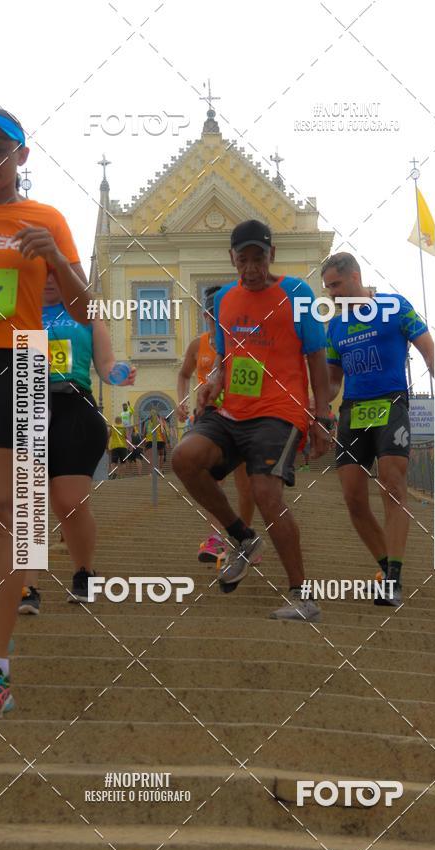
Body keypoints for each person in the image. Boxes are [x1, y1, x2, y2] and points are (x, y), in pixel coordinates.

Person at [0, 107, 93, 719]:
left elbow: (86, 310)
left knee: (2, 507)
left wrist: (56, 259)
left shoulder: (46, 217)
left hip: (21, 362)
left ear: (22, 156)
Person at [172, 219, 330, 621]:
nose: (251, 268)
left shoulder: (297, 293)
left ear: (271, 255)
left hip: (280, 411)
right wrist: (213, 384)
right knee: (184, 459)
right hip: (232, 410)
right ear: (232, 260)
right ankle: (243, 538)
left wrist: (322, 415)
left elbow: (315, 357)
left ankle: (301, 596)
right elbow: (225, 360)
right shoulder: (224, 299)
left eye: (258, 259)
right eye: (243, 260)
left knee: (266, 494)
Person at [18, 274, 136, 613]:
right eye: (42, 274)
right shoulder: (18, 315)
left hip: (75, 407)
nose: (50, 281)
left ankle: (84, 571)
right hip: (28, 405)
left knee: (70, 503)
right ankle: (28, 586)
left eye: (57, 273)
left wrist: (120, 373)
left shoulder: (87, 316)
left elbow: (107, 365)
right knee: (29, 500)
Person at [323, 252, 435, 606]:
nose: (332, 295)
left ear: (356, 277)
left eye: (336, 285)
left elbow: (429, 352)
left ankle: (395, 580)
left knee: (392, 486)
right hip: (353, 412)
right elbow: (331, 382)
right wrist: (314, 406)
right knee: (354, 499)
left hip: (391, 404)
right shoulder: (335, 327)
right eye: (328, 289)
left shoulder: (394, 306)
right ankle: (387, 568)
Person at [176, 286, 256, 562]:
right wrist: (181, 401)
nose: (214, 318)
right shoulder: (199, 344)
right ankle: (215, 537)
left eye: (218, 313)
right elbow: (183, 374)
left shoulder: (243, 340)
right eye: (210, 314)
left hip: (241, 416)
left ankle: (244, 541)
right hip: (210, 418)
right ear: (205, 315)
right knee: (209, 478)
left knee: (246, 484)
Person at [142, 408, 169, 472]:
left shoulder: (147, 423)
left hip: (150, 441)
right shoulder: (161, 422)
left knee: (151, 456)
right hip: (160, 440)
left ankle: (151, 471)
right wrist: (166, 442)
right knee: (161, 455)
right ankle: (160, 469)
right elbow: (163, 432)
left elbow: (144, 433)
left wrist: (143, 443)